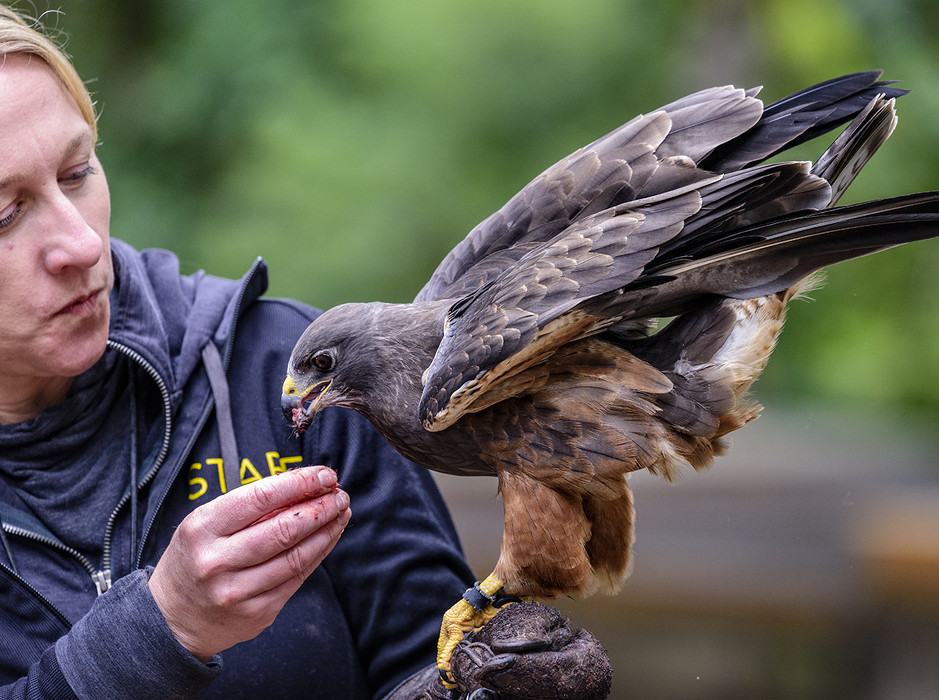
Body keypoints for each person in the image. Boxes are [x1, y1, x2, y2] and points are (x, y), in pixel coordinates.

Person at [0, 6, 610, 699]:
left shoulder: (289, 367)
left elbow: (427, 656)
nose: (82, 244)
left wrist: (479, 687)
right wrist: (154, 631)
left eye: (78, 172)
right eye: (5, 214)